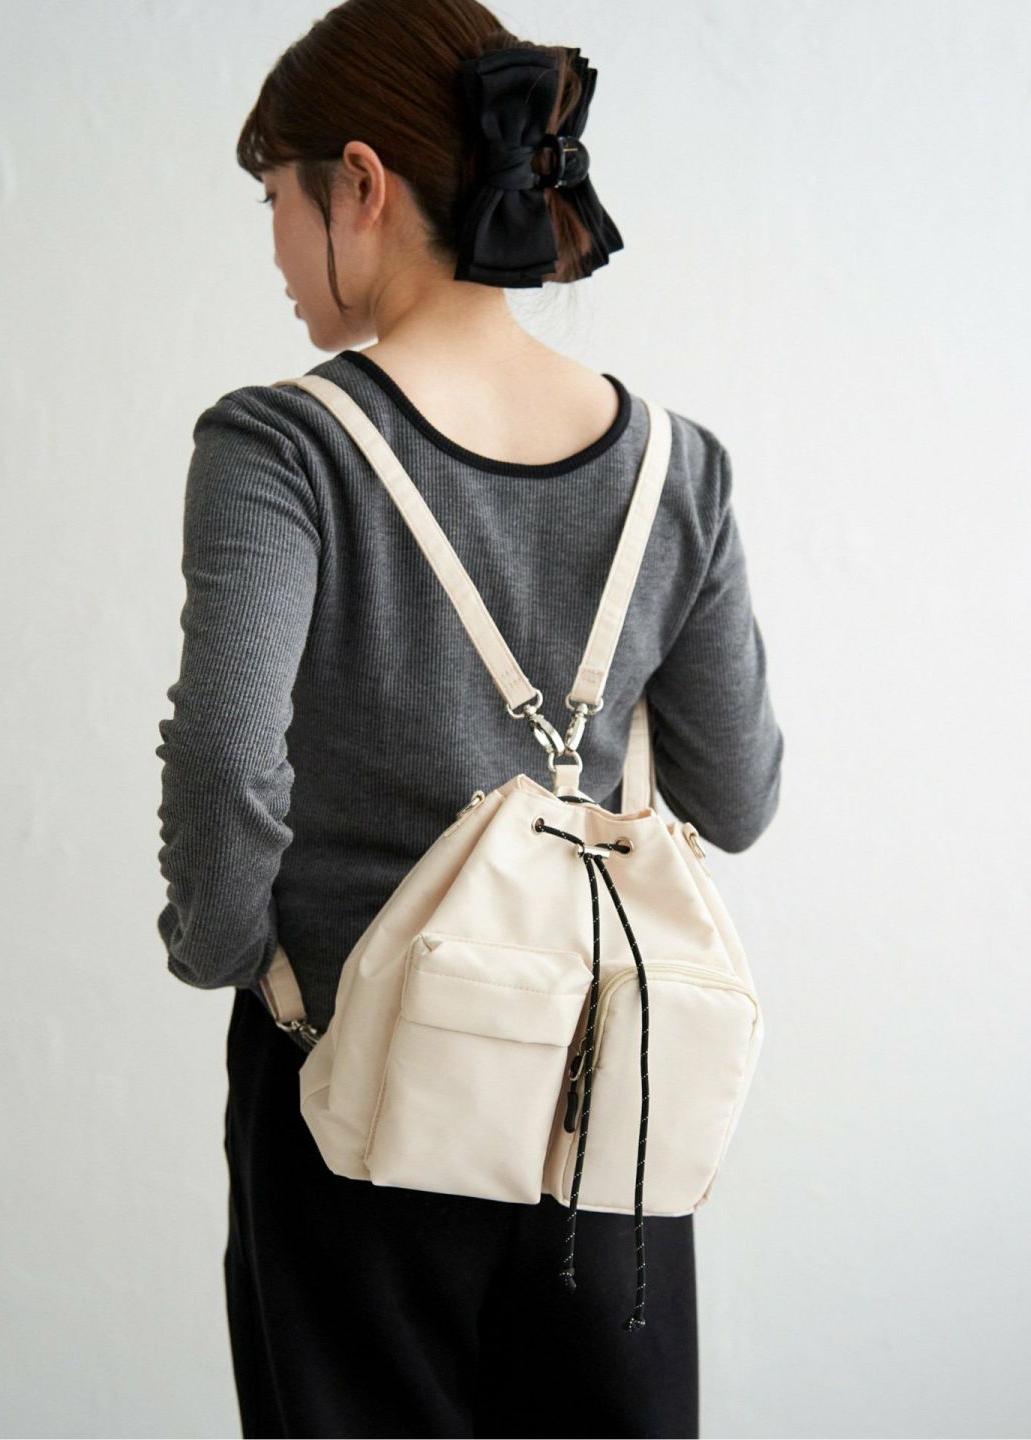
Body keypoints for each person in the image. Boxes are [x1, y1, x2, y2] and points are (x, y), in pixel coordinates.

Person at [154, 2, 785, 1435]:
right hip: (599, 1105)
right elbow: (738, 797)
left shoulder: (282, 444)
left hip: (353, 1102)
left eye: (276, 199)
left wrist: (233, 960)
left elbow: (226, 760)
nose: (275, 247)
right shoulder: (677, 468)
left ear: (360, 185)